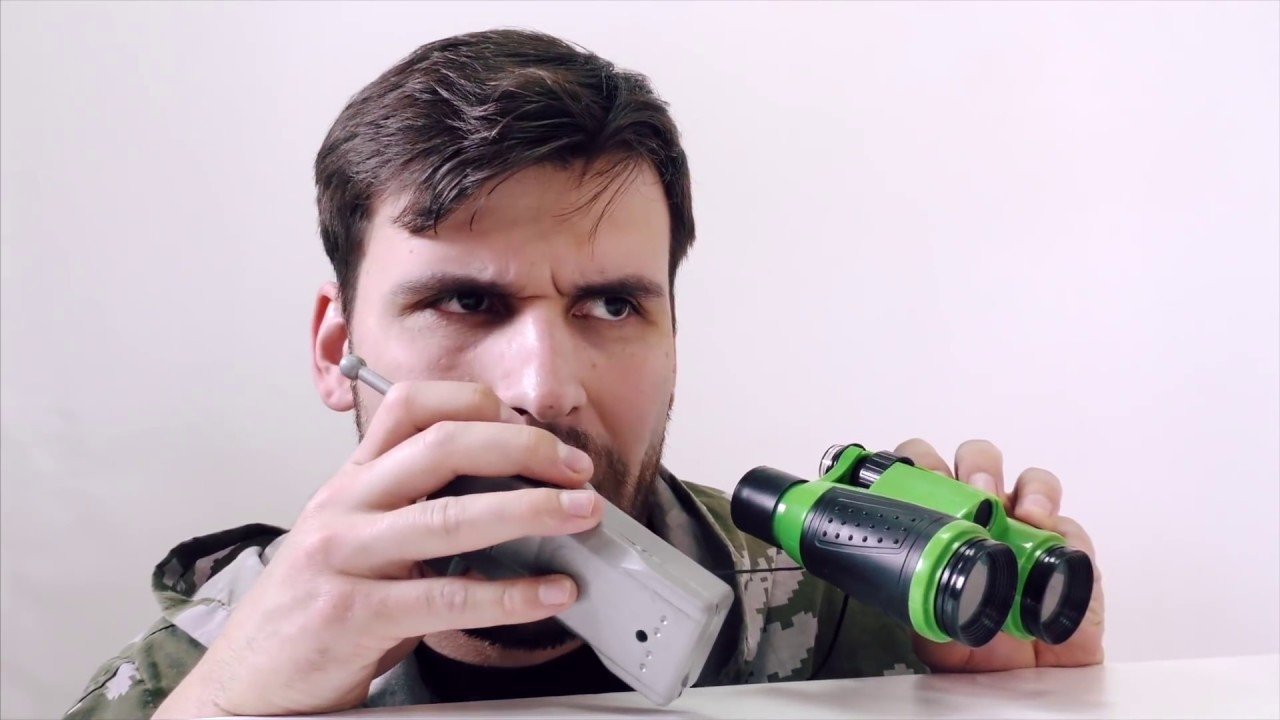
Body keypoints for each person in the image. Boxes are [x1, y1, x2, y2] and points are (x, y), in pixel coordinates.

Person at [65, 28, 1105, 719]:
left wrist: (1036, 707)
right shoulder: (200, 671)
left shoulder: (858, 624)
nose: (542, 387)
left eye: (611, 306)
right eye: (463, 302)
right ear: (338, 351)